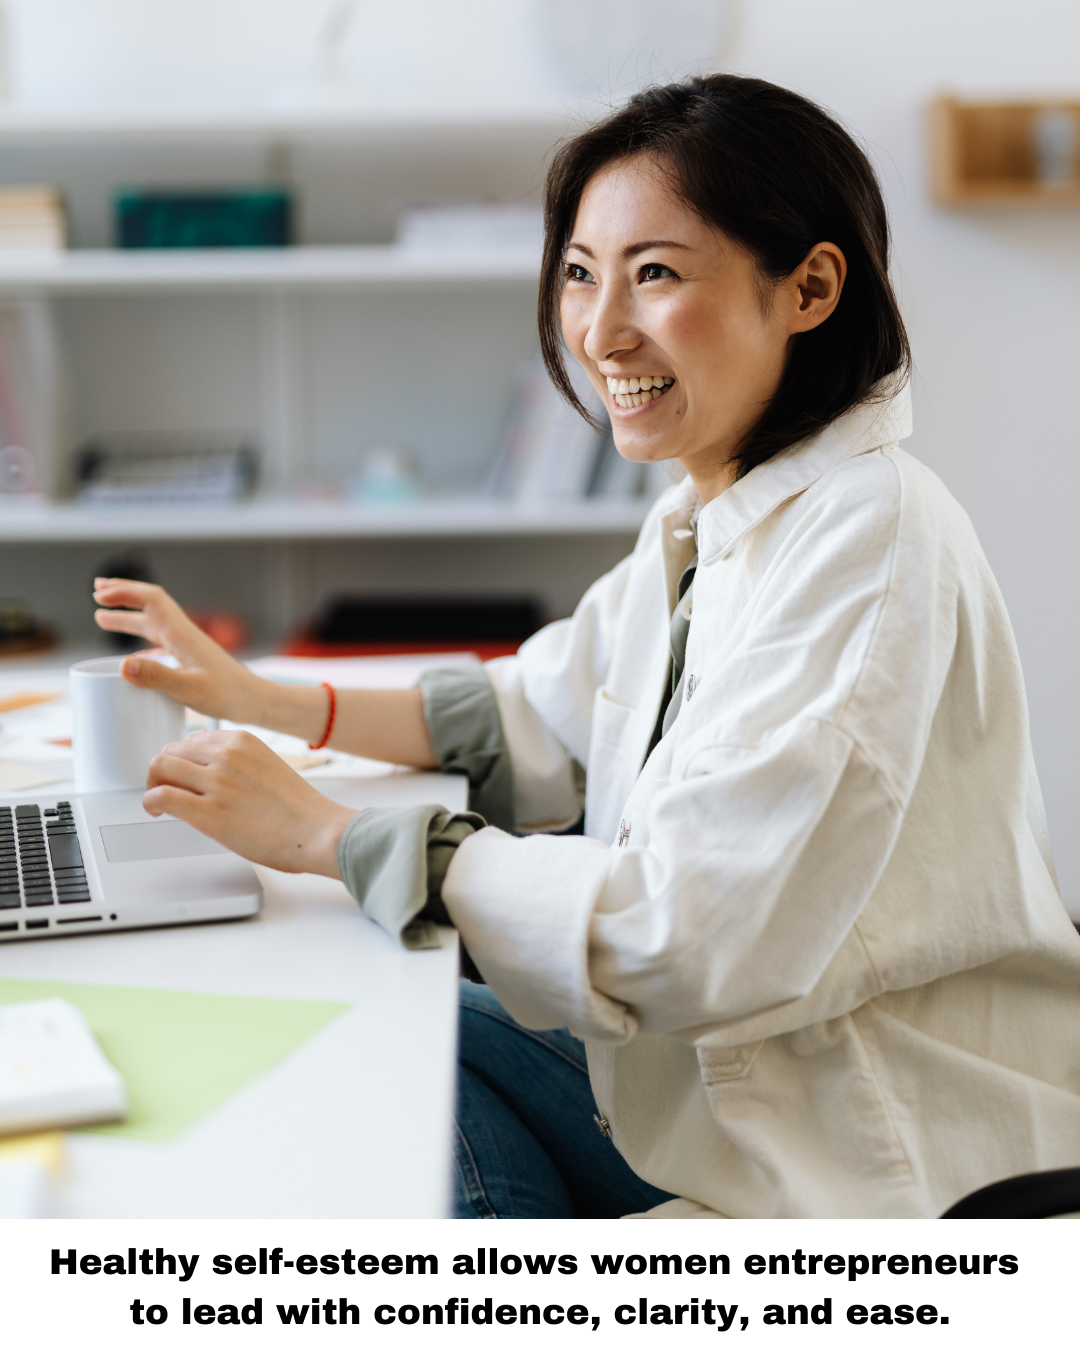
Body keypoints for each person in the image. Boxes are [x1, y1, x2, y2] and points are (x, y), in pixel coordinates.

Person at [93, 74, 1080, 1220]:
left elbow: (692, 935)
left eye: (654, 273)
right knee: (401, 1034)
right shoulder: (716, 510)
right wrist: (260, 697)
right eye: (579, 273)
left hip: (855, 1141)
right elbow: (536, 711)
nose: (600, 330)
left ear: (809, 287)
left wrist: (334, 837)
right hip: (719, 1089)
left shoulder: (867, 535)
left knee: (395, 1076)